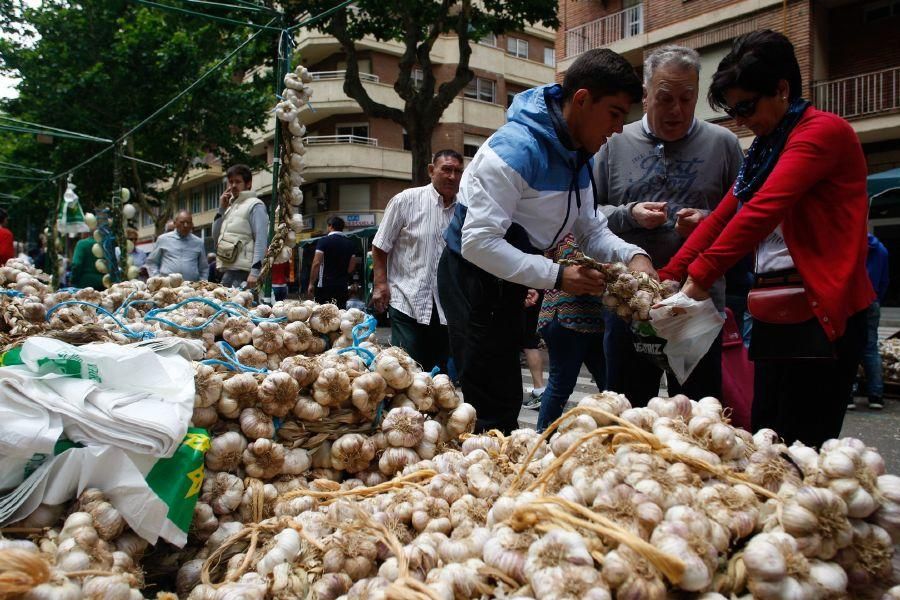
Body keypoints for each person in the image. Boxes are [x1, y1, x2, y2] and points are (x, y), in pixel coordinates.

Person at [658, 30, 873, 448]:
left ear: (782, 89)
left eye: (746, 107)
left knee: (803, 447)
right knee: (765, 441)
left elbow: (762, 210)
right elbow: (722, 217)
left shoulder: (821, 133)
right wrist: (669, 273)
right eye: (733, 110)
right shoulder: (764, 149)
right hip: (774, 314)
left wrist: (699, 277)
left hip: (822, 315)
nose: (740, 119)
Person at [437, 48, 655, 434]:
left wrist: (633, 255)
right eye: (615, 114)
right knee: (492, 400)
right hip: (474, 279)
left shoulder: (579, 154)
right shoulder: (514, 151)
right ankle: (486, 479)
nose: (619, 129)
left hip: (516, 278)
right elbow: (478, 243)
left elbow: (589, 227)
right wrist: (555, 275)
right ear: (583, 100)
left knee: (504, 391)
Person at [596, 45, 744, 406]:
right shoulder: (614, 142)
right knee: (626, 412)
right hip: (629, 306)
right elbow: (586, 216)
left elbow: (747, 219)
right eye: (664, 98)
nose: (676, 110)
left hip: (698, 306)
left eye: (687, 98)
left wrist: (709, 222)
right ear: (645, 96)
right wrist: (629, 214)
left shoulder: (724, 144)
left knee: (698, 416)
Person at [372, 149, 463, 374]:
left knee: (438, 375)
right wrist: (380, 284)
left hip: (446, 307)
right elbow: (381, 244)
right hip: (406, 299)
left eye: (458, 171)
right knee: (406, 370)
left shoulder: (465, 209)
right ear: (432, 171)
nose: (452, 176)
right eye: (447, 169)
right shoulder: (406, 200)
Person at [534, 234, 607, 431]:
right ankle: (541, 439)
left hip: (592, 320)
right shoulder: (564, 232)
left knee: (608, 384)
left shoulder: (592, 230)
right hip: (566, 319)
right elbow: (576, 268)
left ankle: (616, 433)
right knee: (561, 384)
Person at [849, 233, 889, 411]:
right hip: (872, 300)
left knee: (848, 347)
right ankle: (876, 396)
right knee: (871, 348)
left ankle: (849, 395)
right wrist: (876, 298)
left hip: (852, 299)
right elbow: (885, 280)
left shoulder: (852, 245)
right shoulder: (881, 250)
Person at [213, 164, 269, 288]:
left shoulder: (255, 206)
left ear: (248, 183)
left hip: (245, 272)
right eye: (231, 182)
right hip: (230, 268)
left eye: (238, 182)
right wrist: (221, 208)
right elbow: (216, 236)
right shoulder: (230, 207)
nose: (233, 185)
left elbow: (261, 239)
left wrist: (255, 272)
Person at [307, 216, 357, 308]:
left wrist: (311, 283)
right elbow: (351, 268)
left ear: (330, 226)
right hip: (342, 286)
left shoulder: (323, 241)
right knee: (339, 314)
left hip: (325, 286)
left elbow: (316, 263)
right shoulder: (350, 244)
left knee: (323, 314)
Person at [146, 210, 209, 282]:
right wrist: (157, 278)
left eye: (188, 223)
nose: (185, 225)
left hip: (191, 287)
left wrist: (202, 282)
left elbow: (204, 268)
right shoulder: (163, 239)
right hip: (167, 286)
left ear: (192, 224)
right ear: (175, 223)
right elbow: (151, 262)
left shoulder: (198, 242)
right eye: (182, 222)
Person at [521, 289, 546, 408]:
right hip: (538, 290)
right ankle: (539, 389)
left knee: (529, 343)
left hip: (529, 292)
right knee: (530, 343)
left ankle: (540, 390)